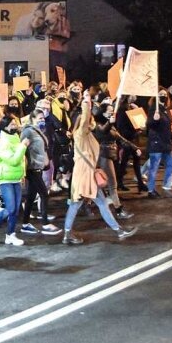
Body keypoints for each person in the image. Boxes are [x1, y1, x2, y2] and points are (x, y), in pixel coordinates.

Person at [62, 92, 136, 245]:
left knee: (97, 203)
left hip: (87, 173)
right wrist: (86, 103)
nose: (93, 123)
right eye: (91, 121)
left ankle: (119, 231)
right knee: (78, 204)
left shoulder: (87, 135)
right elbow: (85, 119)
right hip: (84, 174)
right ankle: (68, 234)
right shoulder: (81, 134)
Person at [0, 115, 28, 246]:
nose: (15, 125)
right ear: (5, 127)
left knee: (15, 209)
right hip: (5, 178)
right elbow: (14, 160)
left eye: (15, 123)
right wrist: (23, 146)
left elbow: (21, 161)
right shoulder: (3, 143)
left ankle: (10, 235)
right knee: (11, 208)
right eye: (12, 124)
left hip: (16, 178)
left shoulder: (15, 139)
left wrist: (22, 174)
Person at [20, 109, 61, 235]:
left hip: (38, 167)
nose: (42, 120)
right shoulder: (28, 131)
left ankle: (25, 223)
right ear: (32, 119)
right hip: (32, 168)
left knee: (31, 197)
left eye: (43, 118)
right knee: (44, 194)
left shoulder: (38, 131)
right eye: (39, 118)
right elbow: (22, 148)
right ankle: (45, 224)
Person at [146, 88, 172, 198]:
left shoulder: (166, 109)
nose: (163, 96)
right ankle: (150, 190)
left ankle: (167, 186)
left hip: (166, 142)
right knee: (154, 167)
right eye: (160, 94)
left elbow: (168, 127)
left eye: (165, 94)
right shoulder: (153, 109)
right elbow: (149, 125)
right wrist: (154, 119)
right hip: (156, 142)